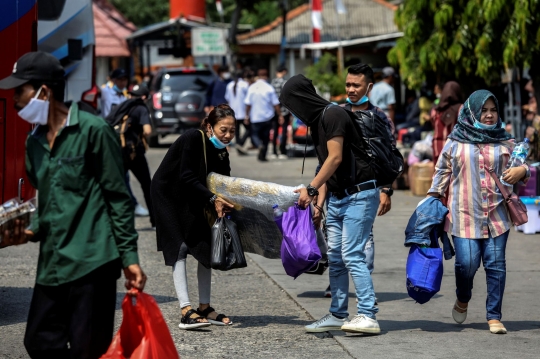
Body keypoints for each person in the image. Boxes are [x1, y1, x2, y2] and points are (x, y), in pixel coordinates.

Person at [0, 51, 146, 358]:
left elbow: (118, 198)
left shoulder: (94, 131)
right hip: (53, 262)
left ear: (44, 91)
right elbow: (49, 200)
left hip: (93, 261)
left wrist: (129, 256)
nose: (14, 100)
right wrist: (28, 231)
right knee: (38, 341)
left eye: (19, 91)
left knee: (87, 349)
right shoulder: (34, 142)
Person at [280, 75, 382, 334]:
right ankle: (338, 314)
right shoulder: (318, 123)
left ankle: (368, 314)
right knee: (335, 258)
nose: (293, 112)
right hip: (338, 198)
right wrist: (318, 203)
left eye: (292, 105)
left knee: (351, 255)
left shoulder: (333, 114)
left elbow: (335, 158)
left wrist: (311, 188)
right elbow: (325, 167)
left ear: (301, 99)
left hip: (359, 195)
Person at [428, 90, 530, 335]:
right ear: (472, 112)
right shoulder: (455, 141)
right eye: (483, 110)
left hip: (497, 215)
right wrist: (431, 201)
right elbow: (441, 171)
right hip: (463, 215)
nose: (489, 115)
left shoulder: (507, 142)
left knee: (496, 265)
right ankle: (463, 298)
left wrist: (523, 170)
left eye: (493, 110)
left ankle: (494, 316)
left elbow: (524, 168)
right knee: (467, 264)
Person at [151, 104, 236, 330]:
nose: (227, 135)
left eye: (232, 131)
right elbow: (187, 176)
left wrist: (226, 203)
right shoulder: (192, 138)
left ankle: (205, 307)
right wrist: (213, 200)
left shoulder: (220, 150)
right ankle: (186, 309)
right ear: (209, 127)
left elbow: (223, 182)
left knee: (203, 246)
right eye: (223, 130)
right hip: (168, 194)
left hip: (194, 197)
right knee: (179, 246)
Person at [314, 63, 395, 299]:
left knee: (363, 241)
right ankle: (337, 294)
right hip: (337, 190)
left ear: (369, 87)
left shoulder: (379, 118)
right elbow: (326, 159)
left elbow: (388, 157)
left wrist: (386, 190)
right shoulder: (335, 113)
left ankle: (364, 291)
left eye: (356, 85)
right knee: (335, 244)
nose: (350, 89)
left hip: (364, 191)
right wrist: (318, 197)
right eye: (348, 84)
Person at [123, 84, 155, 228]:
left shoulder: (122, 106)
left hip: (118, 151)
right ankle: (155, 221)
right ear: (144, 98)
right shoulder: (141, 108)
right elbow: (147, 130)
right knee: (147, 185)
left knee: (117, 185)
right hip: (134, 152)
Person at [245, 69, 284, 162]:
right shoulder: (269, 87)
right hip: (267, 117)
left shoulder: (252, 88)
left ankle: (258, 145)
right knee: (265, 137)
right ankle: (263, 156)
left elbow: (248, 104)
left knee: (254, 134)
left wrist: (246, 115)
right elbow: (275, 104)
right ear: (266, 76)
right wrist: (280, 115)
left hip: (255, 116)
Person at [430, 81, 463, 165]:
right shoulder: (461, 109)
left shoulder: (436, 110)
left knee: (439, 175)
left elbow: (433, 125)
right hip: (455, 150)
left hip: (438, 147)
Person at [225, 68, 250, 155]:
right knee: (250, 129)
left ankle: (239, 146)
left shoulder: (229, 85)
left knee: (237, 131)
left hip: (233, 112)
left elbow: (228, 99)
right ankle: (240, 144)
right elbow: (248, 99)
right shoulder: (245, 85)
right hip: (243, 112)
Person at [270, 65, 290, 159]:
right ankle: (282, 151)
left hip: (274, 110)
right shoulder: (285, 83)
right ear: (284, 71)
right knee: (284, 131)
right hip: (284, 111)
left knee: (275, 131)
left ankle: (274, 151)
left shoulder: (272, 82)